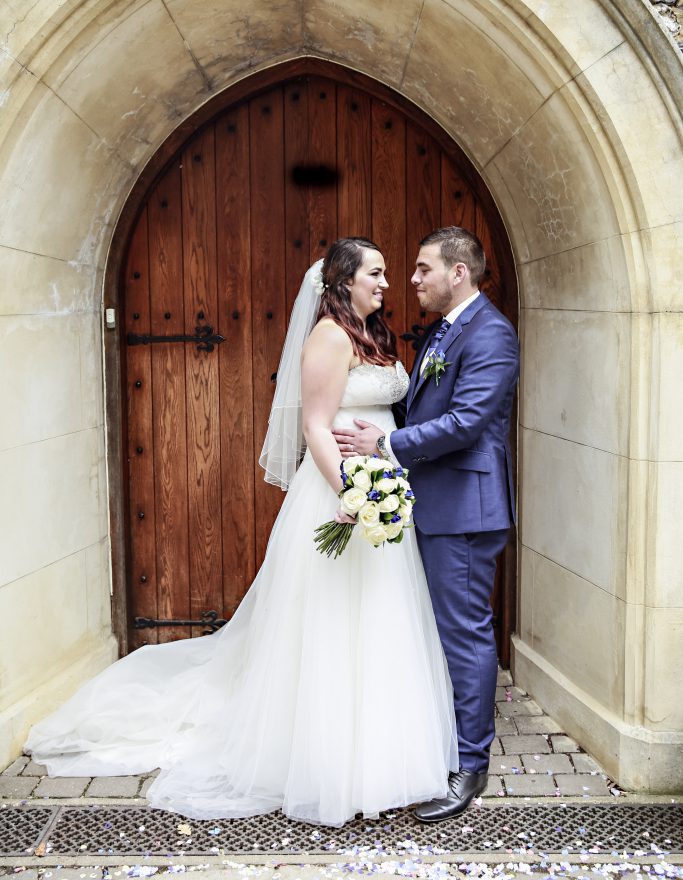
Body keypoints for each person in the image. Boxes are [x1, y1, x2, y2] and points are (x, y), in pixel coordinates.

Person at [25, 237, 457, 828]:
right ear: (343, 282)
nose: (387, 282)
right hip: (343, 495)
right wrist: (351, 496)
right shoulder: (329, 337)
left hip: (381, 491)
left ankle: (383, 756)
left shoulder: (374, 334)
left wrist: (382, 486)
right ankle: (328, 764)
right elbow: (314, 425)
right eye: (376, 273)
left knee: (381, 619)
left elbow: (382, 412)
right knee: (332, 627)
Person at [334, 227, 520, 821]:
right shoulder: (448, 328)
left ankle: (470, 767)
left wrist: (385, 443)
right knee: (447, 631)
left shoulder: (490, 333)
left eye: (422, 269)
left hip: (467, 509)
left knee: (465, 633)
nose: (411, 280)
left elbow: (466, 422)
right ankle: (450, 745)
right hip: (438, 503)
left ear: (458, 273)